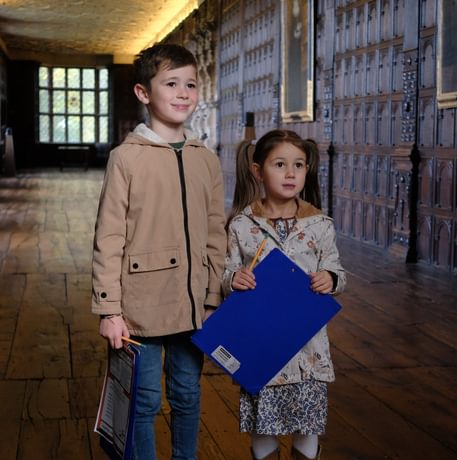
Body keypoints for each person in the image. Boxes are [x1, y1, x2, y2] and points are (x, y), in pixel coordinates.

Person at [91, 43, 226, 460]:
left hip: (191, 307)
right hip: (139, 309)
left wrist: (212, 296)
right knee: (144, 401)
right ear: (143, 93)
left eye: (191, 84)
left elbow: (215, 233)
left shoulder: (207, 159)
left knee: (188, 395)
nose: (184, 92)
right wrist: (110, 309)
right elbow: (108, 237)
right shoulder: (126, 158)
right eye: (171, 83)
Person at [222, 130, 346, 460]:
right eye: (280, 164)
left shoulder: (320, 224)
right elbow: (224, 272)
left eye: (299, 165)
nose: (291, 173)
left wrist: (329, 279)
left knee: (308, 427)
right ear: (257, 170)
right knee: (265, 428)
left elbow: (338, 272)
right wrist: (234, 279)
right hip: (262, 351)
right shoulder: (241, 226)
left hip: (309, 353)